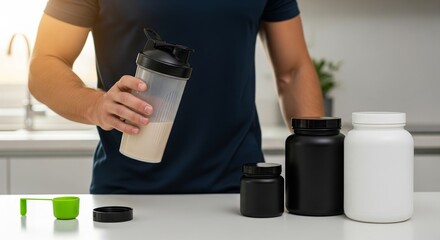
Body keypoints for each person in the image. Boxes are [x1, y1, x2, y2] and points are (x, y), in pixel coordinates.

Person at [29, 0, 324, 194]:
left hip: (238, 193)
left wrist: (319, 169)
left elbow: (293, 70)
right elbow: (46, 63)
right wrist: (96, 105)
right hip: (130, 194)